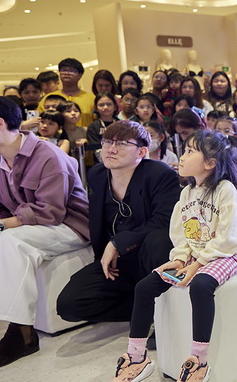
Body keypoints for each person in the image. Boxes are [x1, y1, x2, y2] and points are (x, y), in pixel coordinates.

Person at [99, 131, 237, 382]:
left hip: (227, 254)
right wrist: (181, 258)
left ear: (210, 162)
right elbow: (181, 234)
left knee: (201, 285)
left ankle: (199, 362)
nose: (182, 156)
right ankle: (136, 358)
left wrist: (197, 265)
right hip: (196, 254)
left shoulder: (225, 190)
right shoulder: (187, 193)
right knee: (145, 286)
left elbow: (229, 237)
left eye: (190, 151)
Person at [0, 95, 89, 369]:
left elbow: (50, 212)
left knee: (11, 240)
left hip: (69, 226)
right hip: (27, 226)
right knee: (4, 238)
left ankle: (20, 334)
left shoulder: (47, 155)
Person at [56, 122, 181, 324]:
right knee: (70, 304)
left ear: (142, 151)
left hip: (150, 255)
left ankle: (164, 320)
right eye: (107, 142)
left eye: (122, 143)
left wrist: (117, 243)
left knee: (158, 239)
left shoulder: (160, 174)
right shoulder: (98, 175)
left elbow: (164, 221)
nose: (111, 149)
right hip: (119, 262)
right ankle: (146, 311)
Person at [37, 59, 94, 128]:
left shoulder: (91, 98)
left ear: (80, 75)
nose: (67, 73)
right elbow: (39, 120)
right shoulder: (49, 98)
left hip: (84, 134)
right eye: (63, 70)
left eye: (71, 71)